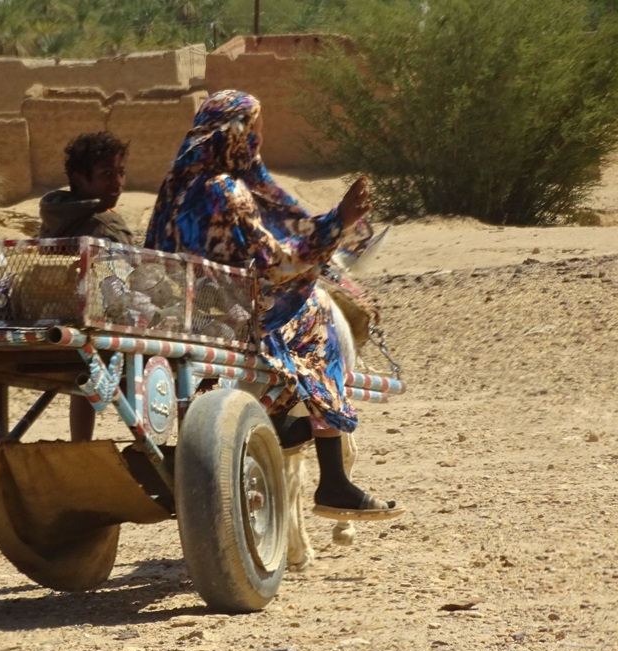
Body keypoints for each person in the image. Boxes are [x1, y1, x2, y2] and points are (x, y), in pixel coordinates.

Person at [144, 90, 401, 521]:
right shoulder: (226, 190)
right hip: (231, 318)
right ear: (236, 134)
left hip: (177, 316)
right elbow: (276, 263)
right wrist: (339, 221)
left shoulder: (174, 185)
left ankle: (286, 423)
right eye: (255, 132)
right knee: (315, 313)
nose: (257, 142)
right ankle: (332, 476)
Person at [39, 131, 133, 441]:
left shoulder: (54, 216)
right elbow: (127, 277)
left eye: (120, 172)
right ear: (80, 179)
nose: (118, 182)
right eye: (107, 174)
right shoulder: (105, 223)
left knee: (84, 366)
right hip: (97, 327)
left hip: (48, 320)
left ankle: (81, 442)